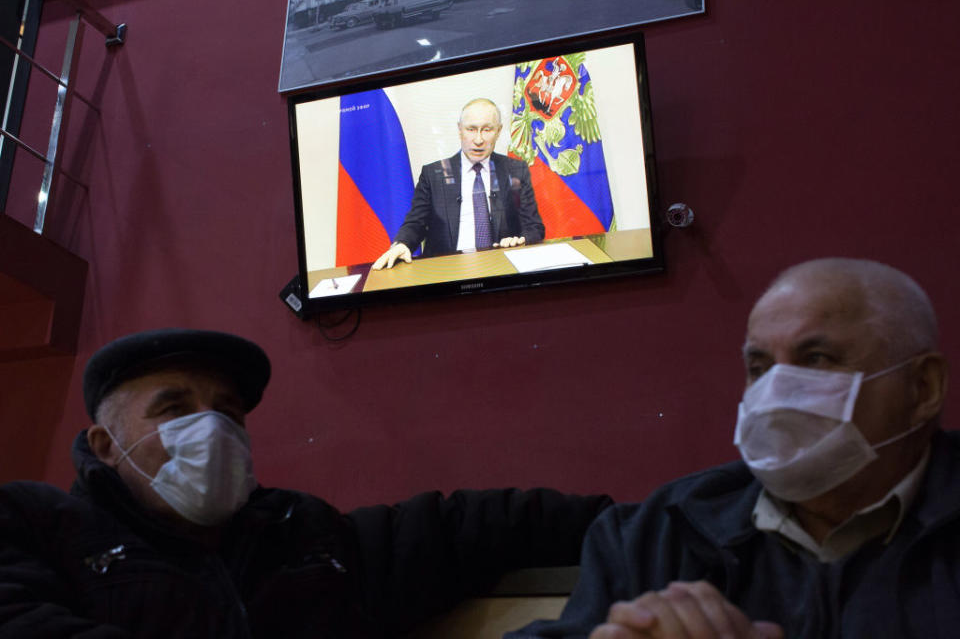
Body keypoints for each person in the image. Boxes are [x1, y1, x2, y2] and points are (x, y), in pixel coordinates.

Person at [0, 328, 611, 638]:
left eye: (228, 412)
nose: (210, 427)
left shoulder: (307, 536)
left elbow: (463, 528)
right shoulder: (36, 526)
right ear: (106, 446)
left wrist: (657, 518)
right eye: (174, 409)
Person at [507, 258, 953, 639]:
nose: (776, 394)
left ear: (922, 388)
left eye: (816, 359)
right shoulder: (655, 533)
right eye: (759, 368)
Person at [372, 98, 545, 269]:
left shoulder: (515, 170)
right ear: (460, 130)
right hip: (446, 272)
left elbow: (534, 227)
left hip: (499, 269)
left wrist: (521, 240)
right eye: (471, 129)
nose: (479, 140)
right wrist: (402, 243)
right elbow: (415, 223)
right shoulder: (432, 174)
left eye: (487, 130)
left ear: (498, 131)